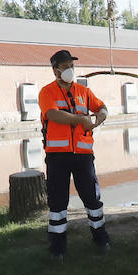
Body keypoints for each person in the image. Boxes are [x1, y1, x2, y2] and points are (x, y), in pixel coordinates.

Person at [39, 50, 111, 260]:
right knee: (58, 203)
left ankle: (101, 239)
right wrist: (80, 120)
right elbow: (53, 114)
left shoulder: (83, 91)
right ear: (55, 70)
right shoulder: (47, 92)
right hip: (57, 156)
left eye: (72, 65)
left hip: (83, 155)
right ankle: (57, 248)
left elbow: (102, 107)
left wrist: (99, 118)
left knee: (92, 199)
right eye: (65, 66)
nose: (70, 69)